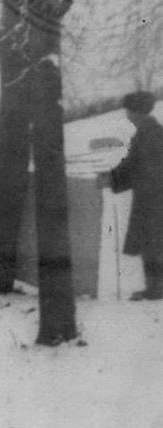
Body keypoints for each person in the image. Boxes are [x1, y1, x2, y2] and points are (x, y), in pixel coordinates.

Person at [98, 91, 163, 301]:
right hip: (151, 196)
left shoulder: (149, 133)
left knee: (152, 242)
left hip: (154, 198)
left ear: (138, 111)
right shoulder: (149, 131)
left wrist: (111, 178)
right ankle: (155, 287)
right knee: (151, 242)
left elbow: (135, 165)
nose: (127, 115)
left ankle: (156, 289)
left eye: (129, 111)